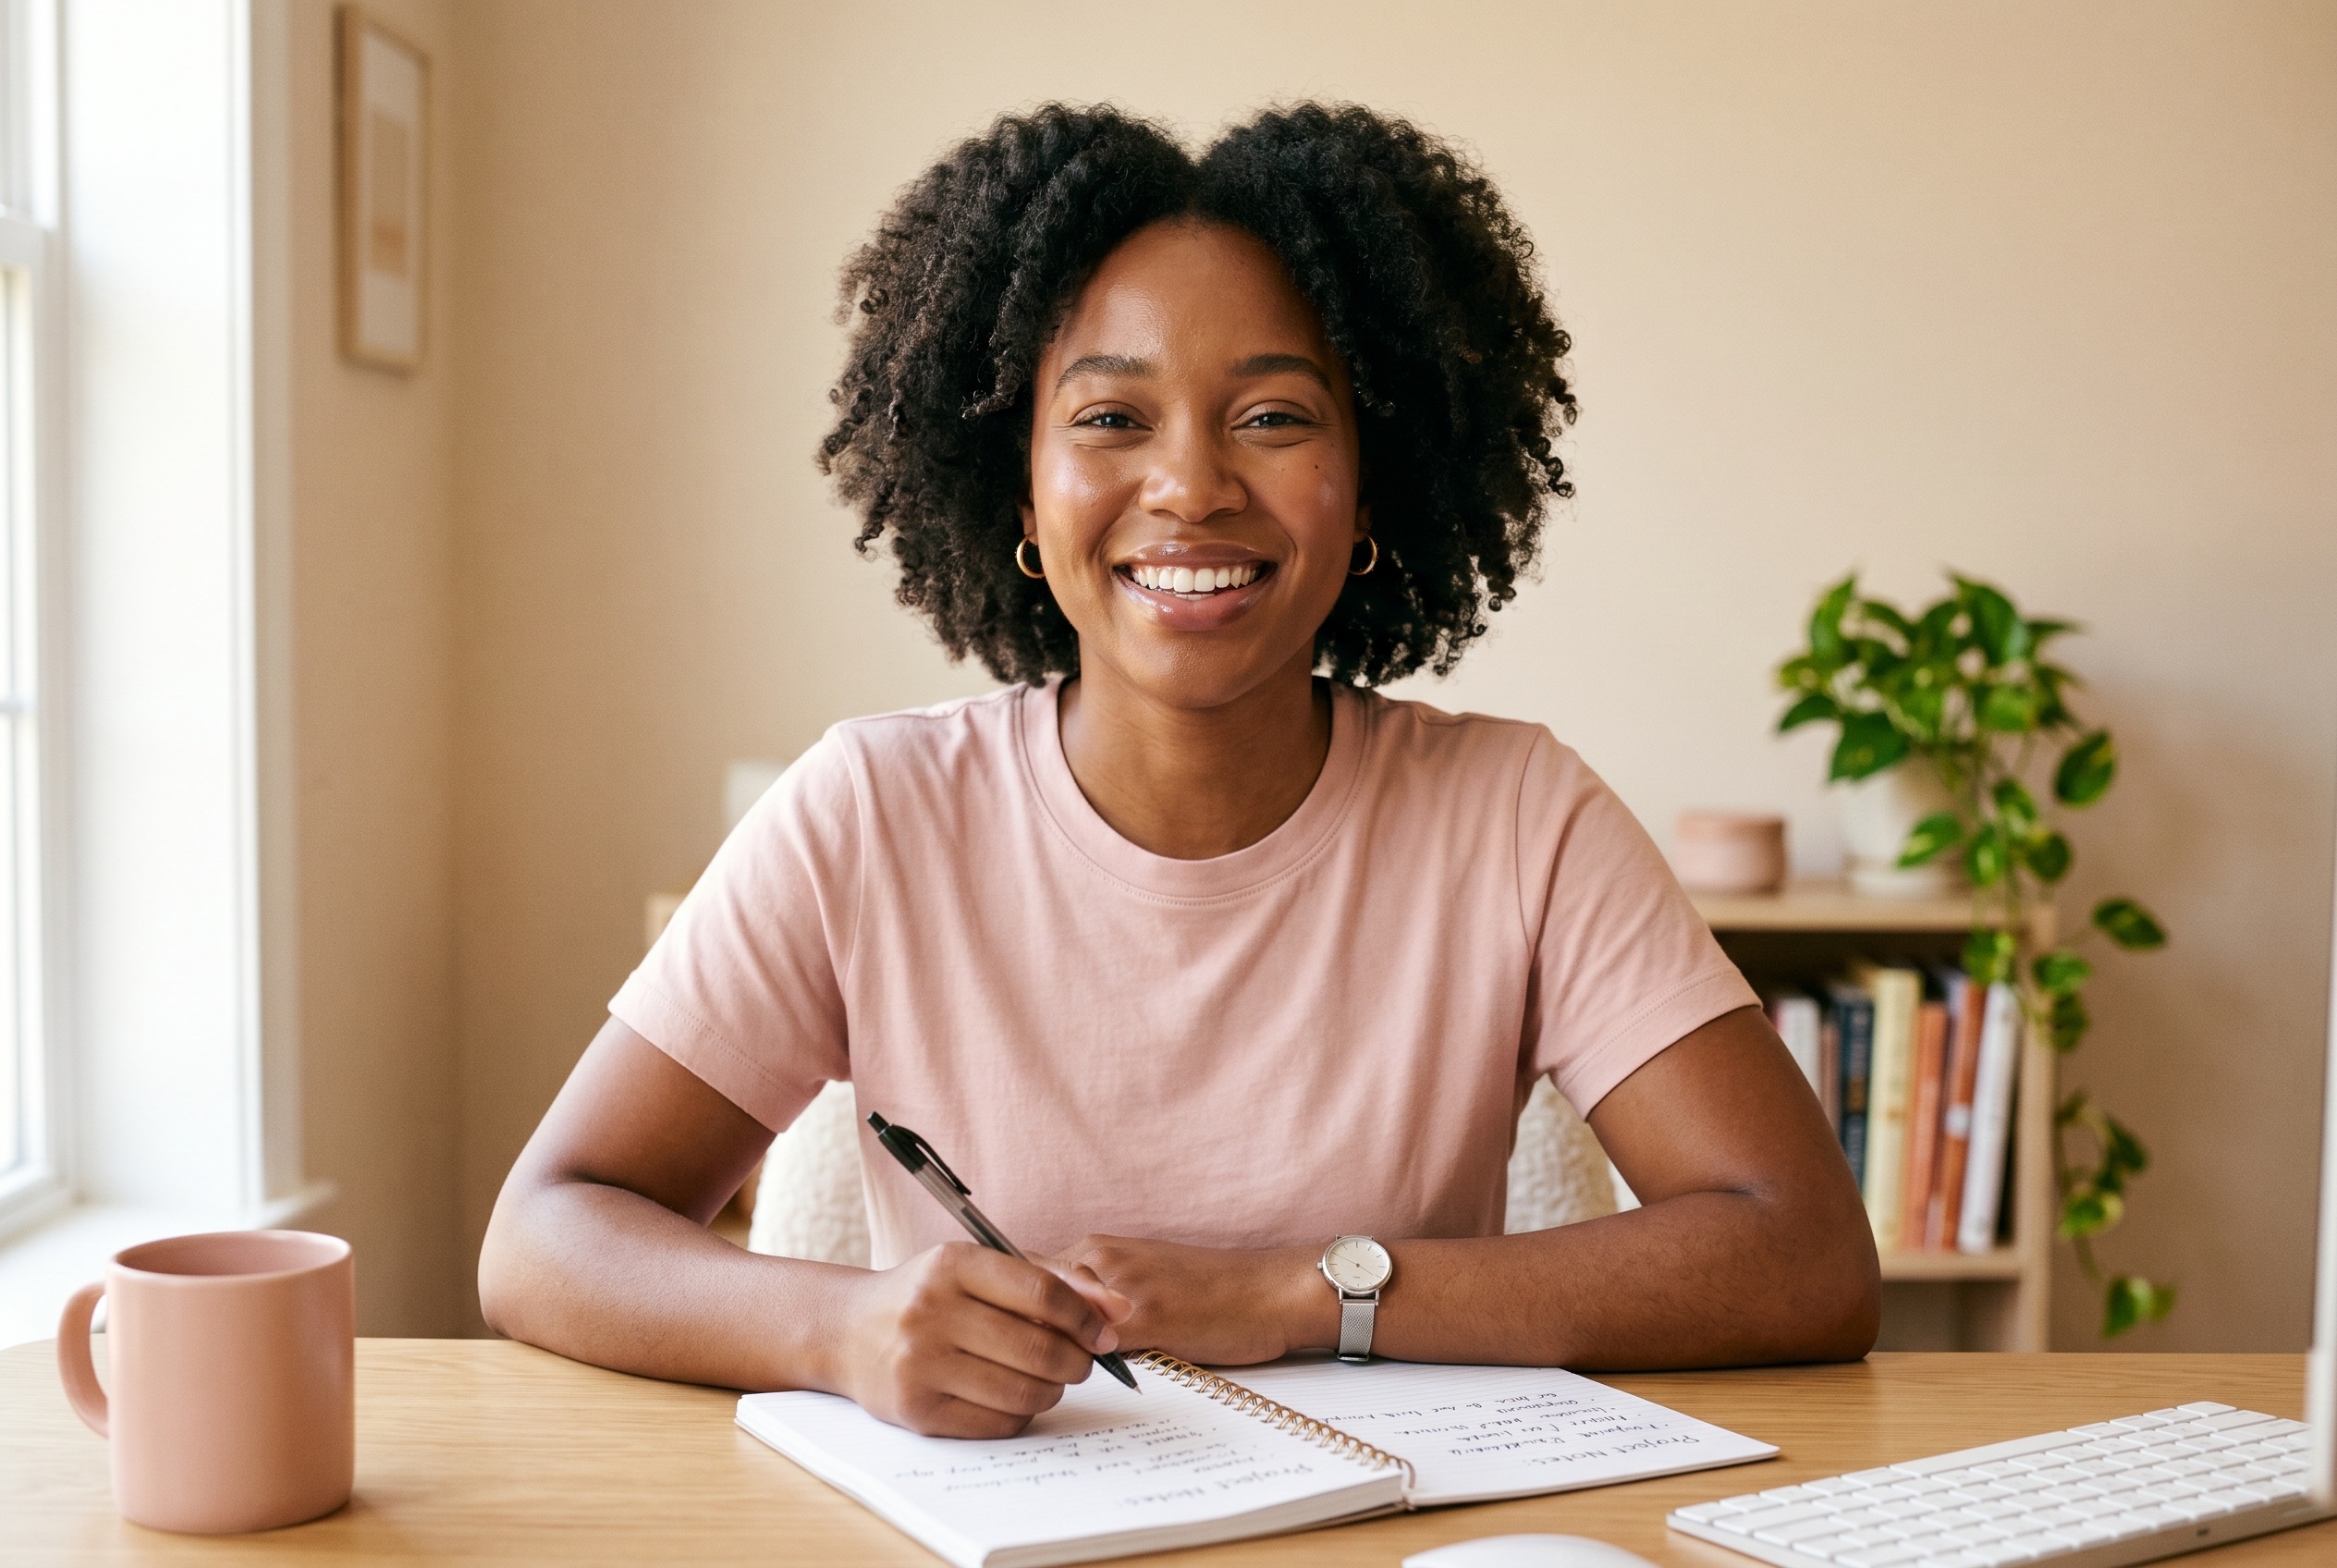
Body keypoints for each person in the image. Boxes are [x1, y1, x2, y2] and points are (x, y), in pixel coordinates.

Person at [479, 103, 1878, 1439]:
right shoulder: (871, 812)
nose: (1193, 485)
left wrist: (1291, 1293)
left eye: (1272, 416)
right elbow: (545, 1237)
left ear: (1373, 485)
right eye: (1110, 419)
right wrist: (841, 1332)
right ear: (1019, 489)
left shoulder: (1517, 817)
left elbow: (1805, 1253)